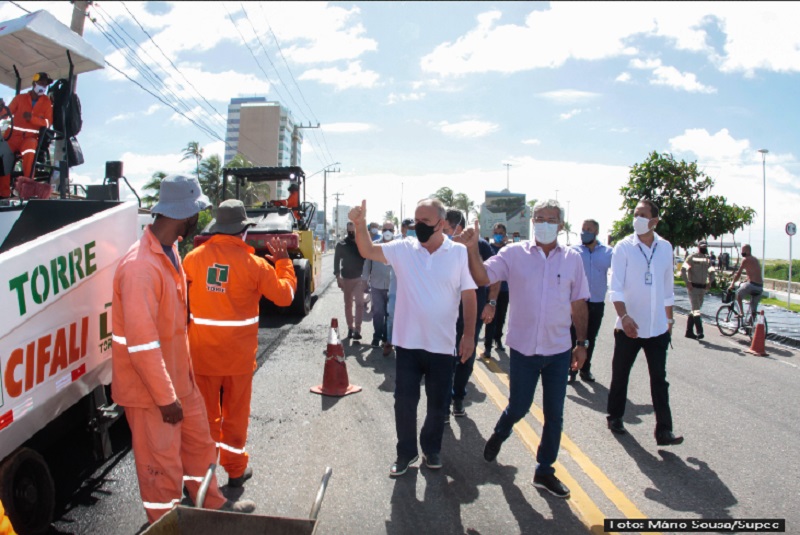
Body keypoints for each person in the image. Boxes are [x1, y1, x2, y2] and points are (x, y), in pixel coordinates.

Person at [111, 175, 255, 524]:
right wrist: (165, 398)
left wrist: (183, 386)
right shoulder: (141, 268)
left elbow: (174, 329)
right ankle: (166, 524)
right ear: (184, 214)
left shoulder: (171, 251)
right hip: (151, 393)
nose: (199, 222)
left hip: (180, 381)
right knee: (161, 467)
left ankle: (211, 507)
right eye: (197, 215)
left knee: (200, 448)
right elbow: (143, 344)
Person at [458, 199, 589, 499]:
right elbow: (481, 277)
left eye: (551, 219)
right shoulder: (513, 254)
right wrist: (470, 249)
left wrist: (581, 344)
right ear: (532, 221)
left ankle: (544, 470)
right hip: (523, 350)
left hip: (558, 350)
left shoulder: (572, 259)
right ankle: (501, 432)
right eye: (539, 217)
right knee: (520, 406)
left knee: (554, 414)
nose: (544, 223)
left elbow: (579, 303)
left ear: (561, 224)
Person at [349, 198, 476, 477]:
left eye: (425, 222)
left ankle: (431, 448)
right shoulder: (404, 249)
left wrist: (468, 336)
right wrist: (359, 225)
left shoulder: (458, 254)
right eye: (416, 220)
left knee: (437, 405)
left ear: (442, 224)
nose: (418, 226)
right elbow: (367, 249)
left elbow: (468, 295)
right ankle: (405, 453)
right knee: (404, 402)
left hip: (442, 347)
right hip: (407, 344)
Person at [183, 199, 297, 488]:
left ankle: (198, 478)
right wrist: (283, 262)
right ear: (243, 232)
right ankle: (235, 470)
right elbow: (285, 297)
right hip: (238, 360)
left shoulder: (193, 259)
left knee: (203, 419)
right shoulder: (254, 264)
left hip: (200, 355)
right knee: (235, 418)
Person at [606, 199, 682, 446]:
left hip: (657, 327)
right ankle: (615, 416)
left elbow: (668, 288)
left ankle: (664, 431)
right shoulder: (624, 247)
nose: (636, 218)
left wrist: (669, 319)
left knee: (659, 379)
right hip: (629, 327)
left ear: (654, 221)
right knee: (620, 374)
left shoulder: (666, 248)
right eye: (635, 213)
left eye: (642, 214)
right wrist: (624, 316)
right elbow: (615, 288)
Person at [443, 208, 497, 420]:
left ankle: (458, 398)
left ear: (458, 226)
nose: (443, 232)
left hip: (471, 312)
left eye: (446, 228)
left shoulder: (480, 245)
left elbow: (494, 275)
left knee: (466, 355)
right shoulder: (442, 246)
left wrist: (491, 303)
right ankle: (444, 402)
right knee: (445, 356)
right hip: (446, 311)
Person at [569, 219, 613, 383]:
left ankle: (585, 369)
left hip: (596, 302)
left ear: (596, 232)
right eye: (582, 229)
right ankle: (571, 369)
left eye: (588, 229)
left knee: (590, 338)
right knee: (573, 336)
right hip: (577, 302)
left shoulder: (608, 252)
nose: (584, 232)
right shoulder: (573, 251)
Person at [0, 72, 53, 199]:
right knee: (2, 156)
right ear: (34, 83)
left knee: (30, 150)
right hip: (13, 137)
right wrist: (1, 108)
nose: (43, 87)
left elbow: (47, 122)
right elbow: (6, 114)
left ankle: (27, 190)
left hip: (30, 138)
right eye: (41, 83)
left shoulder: (47, 103)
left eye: (45, 85)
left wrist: (32, 119)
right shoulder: (20, 98)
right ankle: (3, 194)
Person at [363, 220, 396, 349]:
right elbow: (367, 264)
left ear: (394, 232)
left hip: (393, 286)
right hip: (376, 285)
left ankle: (387, 338)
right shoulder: (374, 246)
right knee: (378, 312)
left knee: (390, 314)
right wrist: (364, 280)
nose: (388, 232)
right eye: (386, 229)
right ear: (382, 231)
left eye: (391, 230)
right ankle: (377, 336)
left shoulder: (398, 246)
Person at [333, 221, 367, 339]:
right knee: (348, 305)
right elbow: (336, 261)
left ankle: (357, 330)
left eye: (353, 229)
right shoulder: (341, 244)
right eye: (349, 230)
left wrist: (367, 277)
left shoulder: (361, 244)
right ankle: (350, 328)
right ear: (347, 230)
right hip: (346, 279)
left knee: (359, 304)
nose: (351, 232)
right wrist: (338, 277)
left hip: (359, 278)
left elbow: (367, 260)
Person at [484, 223, 510, 358]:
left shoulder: (509, 250)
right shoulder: (489, 248)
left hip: (505, 290)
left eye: (500, 233)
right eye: (496, 232)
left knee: (501, 317)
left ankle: (498, 339)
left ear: (505, 234)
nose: (497, 235)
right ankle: (487, 346)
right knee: (490, 318)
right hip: (490, 290)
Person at [681, 241, 715, 339]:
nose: (704, 248)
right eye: (702, 246)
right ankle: (700, 331)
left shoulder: (707, 260)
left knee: (696, 309)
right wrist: (687, 282)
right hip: (693, 288)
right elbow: (683, 270)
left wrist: (710, 282)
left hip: (702, 288)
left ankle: (689, 331)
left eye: (705, 246)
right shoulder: (691, 257)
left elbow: (712, 272)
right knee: (696, 309)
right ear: (698, 247)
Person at [728, 244, 764, 323]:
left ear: (747, 251)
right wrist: (746, 280)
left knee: (738, 294)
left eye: (743, 250)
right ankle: (751, 326)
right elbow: (753, 273)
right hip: (760, 287)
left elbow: (738, 273)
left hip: (752, 285)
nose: (742, 252)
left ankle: (741, 312)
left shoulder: (745, 259)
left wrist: (732, 284)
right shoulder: (755, 259)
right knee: (753, 308)